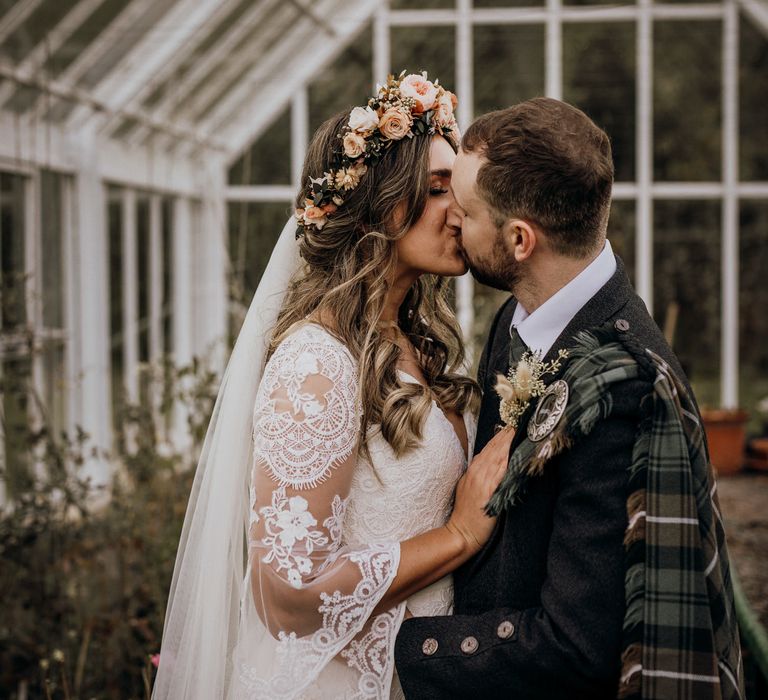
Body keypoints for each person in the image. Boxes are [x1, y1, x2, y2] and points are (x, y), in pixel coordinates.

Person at [152, 72, 514, 700]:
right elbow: (286, 595)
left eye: (457, 191)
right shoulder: (315, 365)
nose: (460, 212)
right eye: (435, 191)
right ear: (379, 204)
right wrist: (457, 535)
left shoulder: (413, 342)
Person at [394, 97, 744, 700]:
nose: (452, 217)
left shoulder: (627, 394)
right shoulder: (515, 321)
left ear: (519, 240)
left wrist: (402, 650)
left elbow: (576, 646)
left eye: (467, 209)